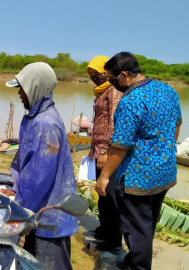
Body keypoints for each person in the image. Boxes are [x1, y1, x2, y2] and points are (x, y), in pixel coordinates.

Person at [96, 52, 182, 270]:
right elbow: (177, 123)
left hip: (138, 176)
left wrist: (104, 176)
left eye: (113, 79)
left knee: (136, 227)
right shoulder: (168, 90)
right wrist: (166, 148)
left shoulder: (130, 101)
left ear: (125, 75)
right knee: (148, 223)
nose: (112, 84)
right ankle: (135, 260)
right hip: (165, 170)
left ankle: (138, 266)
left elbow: (120, 146)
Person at [2, 62, 78, 270]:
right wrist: (14, 188)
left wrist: (17, 212)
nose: (19, 94)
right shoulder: (35, 118)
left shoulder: (45, 124)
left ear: (34, 88)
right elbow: (25, 162)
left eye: (22, 89)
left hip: (48, 215)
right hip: (37, 210)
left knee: (49, 264)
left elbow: (38, 178)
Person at [86, 55, 123, 253]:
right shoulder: (102, 92)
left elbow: (114, 123)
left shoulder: (114, 91)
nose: (95, 78)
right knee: (102, 194)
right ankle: (104, 229)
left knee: (109, 194)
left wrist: (105, 151)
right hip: (98, 148)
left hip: (107, 151)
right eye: (91, 75)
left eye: (97, 74)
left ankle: (114, 240)